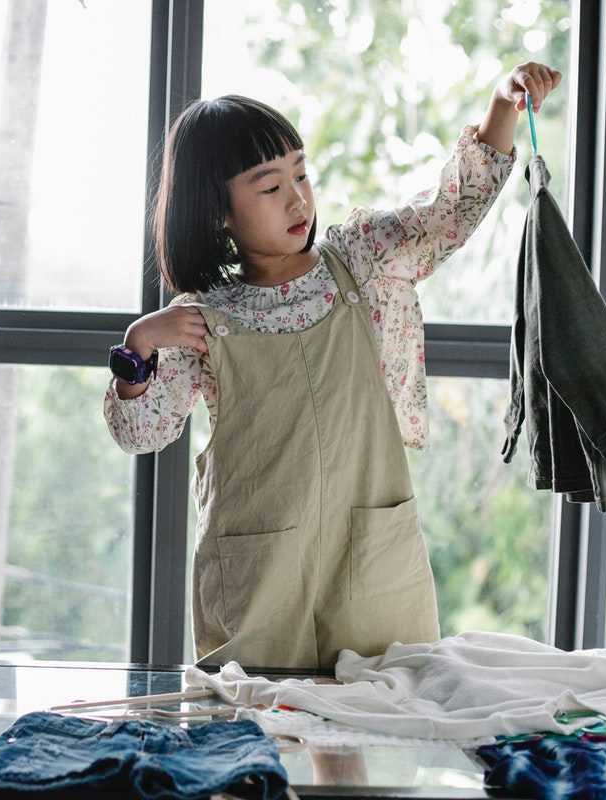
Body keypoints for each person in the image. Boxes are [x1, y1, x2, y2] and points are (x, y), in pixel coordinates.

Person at [105, 63, 561, 670]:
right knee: (256, 735)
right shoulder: (202, 320)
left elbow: (447, 215)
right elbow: (144, 432)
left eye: (301, 174)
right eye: (269, 187)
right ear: (218, 214)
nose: (297, 198)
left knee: (365, 730)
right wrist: (137, 348)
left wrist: (501, 108)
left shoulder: (361, 260)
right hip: (259, 576)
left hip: (366, 551)